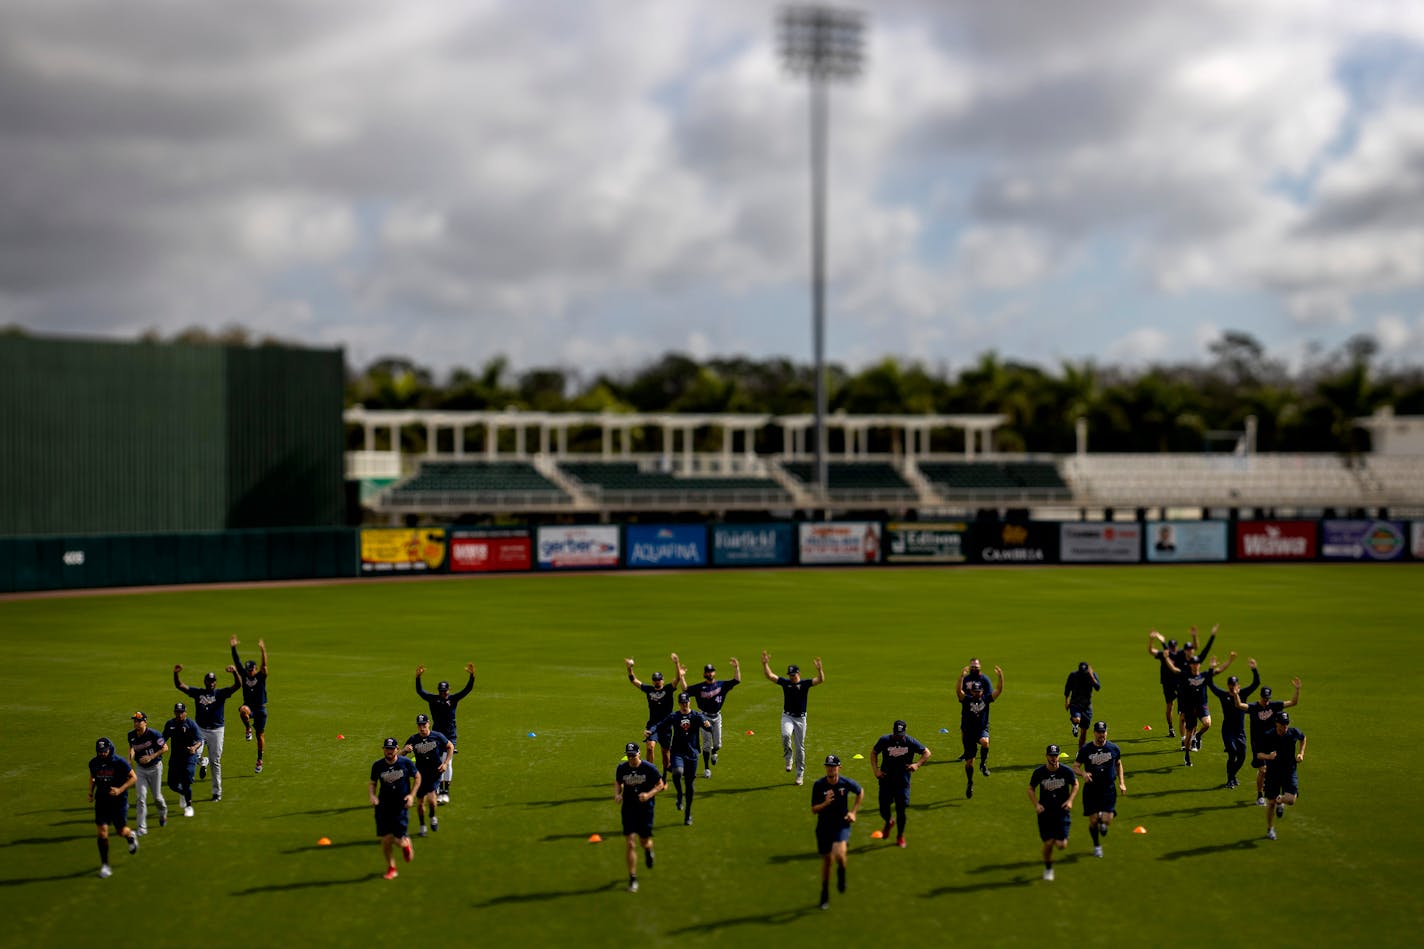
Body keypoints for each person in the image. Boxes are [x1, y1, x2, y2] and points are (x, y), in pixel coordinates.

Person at [173, 663, 241, 801]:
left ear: (215, 683)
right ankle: (203, 761)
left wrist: (234, 672)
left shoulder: (221, 694)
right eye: (209, 681)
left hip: (217, 731)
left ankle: (217, 792)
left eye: (213, 681)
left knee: (215, 762)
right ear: (205, 682)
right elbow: (180, 686)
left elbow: (238, 685)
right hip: (200, 730)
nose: (211, 683)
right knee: (192, 754)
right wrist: (176, 673)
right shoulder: (198, 693)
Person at [646, 692, 712, 826]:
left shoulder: (696, 716)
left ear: (689, 702)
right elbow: (660, 724)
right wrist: (651, 731)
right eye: (682, 703)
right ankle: (679, 795)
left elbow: (708, 726)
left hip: (692, 754)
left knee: (690, 786)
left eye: (686, 702)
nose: (684, 704)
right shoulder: (674, 716)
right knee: (676, 773)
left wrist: (708, 725)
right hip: (677, 752)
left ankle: (688, 814)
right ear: (679, 704)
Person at [415, 661, 475, 804]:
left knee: (447, 762)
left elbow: (467, 690)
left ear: (449, 690)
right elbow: (420, 692)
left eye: (445, 691)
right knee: (437, 762)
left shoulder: (453, 699)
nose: (443, 694)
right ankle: (436, 788)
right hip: (436, 735)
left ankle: (445, 791)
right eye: (441, 691)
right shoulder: (433, 699)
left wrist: (472, 677)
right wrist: (418, 678)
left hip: (450, 735)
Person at [761, 651, 824, 785]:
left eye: (793, 675)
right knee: (785, 735)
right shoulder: (786, 683)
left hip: (801, 719)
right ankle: (788, 758)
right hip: (787, 716)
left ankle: (799, 775)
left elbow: (820, 680)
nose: (791, 677)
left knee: (800, 748)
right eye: (790, 675)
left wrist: (820, 670)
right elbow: (770, 676)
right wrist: (765, 664)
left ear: (798, 674)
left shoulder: (805, 684)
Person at [810, 754, 863, 910]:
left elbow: (860, 792)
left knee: (839, 854)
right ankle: (825, 891)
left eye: (833, 766)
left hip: (841, 823)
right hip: (824, 826)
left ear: (839, 767)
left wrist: (853, 812)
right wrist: (825, 803)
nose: (830, 769)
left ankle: (842, 871)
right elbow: (814, 809)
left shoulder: (845, 783)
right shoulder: (819, 785)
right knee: (827, 861)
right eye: (828, 766)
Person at [1241, 675, 1302, 805]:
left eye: (1268, 698)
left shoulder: (1274, 706)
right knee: (1263, 769)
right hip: (1258, 742)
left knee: (1274, 769)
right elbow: (1240, 705)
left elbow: (1293, 702)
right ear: (1260, 696)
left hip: (1274, 741)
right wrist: (1235, 694)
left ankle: (1278, 795)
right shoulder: (1254, 707)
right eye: (1264, 698)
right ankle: (1259, 795)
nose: (1266, 700)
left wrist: (1297, 690)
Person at [869, 720, 930, 847]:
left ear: (905, 732)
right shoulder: (885, 740)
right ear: (893, 731)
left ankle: (900, 836)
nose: (899, 736)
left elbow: (927, 752)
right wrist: (876, 770)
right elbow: (874, 752)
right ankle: (889, 822)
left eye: (901, 734)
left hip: (903, 782)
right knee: (883, 809)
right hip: (886, 781)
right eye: (897, 734)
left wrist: (917, 765)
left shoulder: (910, 741)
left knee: (901, 810)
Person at [615, 741, 666, 893]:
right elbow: (618, 782)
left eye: (633, 755)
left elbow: (660, 785)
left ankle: (649, 850)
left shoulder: (649, 768)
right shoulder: (622, 768)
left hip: (645, 808)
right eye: (628, 756)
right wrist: (617, 794)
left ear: (639, 754)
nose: (631, 759)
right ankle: (633, 877)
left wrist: (648, 795)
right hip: (629, 808)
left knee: (644, 841)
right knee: (630, 842)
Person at [369, 737, 420, 880]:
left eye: (392, 749)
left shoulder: (406, 763)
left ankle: (405, 844)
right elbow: (373, 783)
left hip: (400, 806)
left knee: (398, 841)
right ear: (383, 749)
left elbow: (417, 777)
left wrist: (411, 796)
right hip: (383, 806)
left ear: (397, 749)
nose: (389, 751)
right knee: (385, 840)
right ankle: (392, 867)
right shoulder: (377, 765)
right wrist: (372, 796)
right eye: (387, 748)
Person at [626, 655, 686, 775]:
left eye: (659, 679)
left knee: (665, 753)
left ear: (662, 680)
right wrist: (629, 668)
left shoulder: (668, 689)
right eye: (655, 679)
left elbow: (677, 679)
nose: (657, 681)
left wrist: (676, 663)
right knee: (650, 747)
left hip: (666, 725)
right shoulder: (649, 690)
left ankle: (664, 774)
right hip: (652, 724)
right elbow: (633, 680)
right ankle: (651, 772)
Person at [88, 737, 139, 879]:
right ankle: (105, 865)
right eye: (100, 752)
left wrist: (119, 790)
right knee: (102, 832)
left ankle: (130, 836)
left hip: (118, 801)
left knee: (120, 831)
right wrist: (91, 792)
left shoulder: (119, 762)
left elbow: (133, 778)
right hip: (102, 801)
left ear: (110, 749)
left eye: (104, 751)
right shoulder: (94, 763)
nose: (102, 754)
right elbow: (93, 777)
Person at [1073, 722, 1126, 858]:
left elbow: (1119, 765)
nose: (1101, 735)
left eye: (1104, 732)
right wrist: (1083, 774)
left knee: (1107, 820)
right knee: (1093, 821)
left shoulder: (1114, 748)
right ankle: (1097, 845)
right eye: (1099, 732)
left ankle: (1103, 821)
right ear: (1094, 733)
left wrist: (1122, 783)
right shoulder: (1086, 749)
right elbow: (1076, 766)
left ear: (1106, 732)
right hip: (1091, 789)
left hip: (1109, 789)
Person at [1027, 744, 1078, 882]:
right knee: (1049, 843)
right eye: (1051, 755)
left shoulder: (1066, 771)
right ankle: (1048, 868)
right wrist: (1036, 804)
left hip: (1062, 812)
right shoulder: (1039, 772)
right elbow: (1030, 789)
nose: (1053, 758)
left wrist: (1070, 800)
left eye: (1055, 755)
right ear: (1046, 756)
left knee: (1061, 845)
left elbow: (1075, 784)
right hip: (1045, 813)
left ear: (1058, 756)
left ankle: (1056, 838)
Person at [1208, 658, 1260, 789]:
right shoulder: (1223, 695)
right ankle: (1230, 779)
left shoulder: (1243, 694)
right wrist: (1211, 669)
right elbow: (1210, 683)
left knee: (1242, 757)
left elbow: (1256, 683)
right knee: (1232, 752)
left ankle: (1233, 775)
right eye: (1230, 685)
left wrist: (1254, 669)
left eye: (1234, 684)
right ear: (1228, 685)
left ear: (1238, 685)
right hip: (1228, 730)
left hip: (1240, 731)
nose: (1232, 687)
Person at [955, 663, 1004, 798]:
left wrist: (1001, 676)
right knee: (969, 763)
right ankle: (970, 782)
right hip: (969, 734)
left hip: (981, 730)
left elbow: (999, 690)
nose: (977, 693)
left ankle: (983, 764)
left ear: (982, 691)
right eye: (975, 691)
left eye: (979, 691)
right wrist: (961, 677)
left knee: (985, 742)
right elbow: (959, 692)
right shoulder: (967, 700)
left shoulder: (986, 699)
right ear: (972, 692)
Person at [688, 658, 741, 778]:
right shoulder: (699, 687)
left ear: (714, 673)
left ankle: (714, 752)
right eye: (708, 671)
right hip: (704, 717)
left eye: (711, 671)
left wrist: (736, 667)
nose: (710, 673)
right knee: (706, 744)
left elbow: (736, 680)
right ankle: (707, 768)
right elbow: (685, 689)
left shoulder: (721, 685)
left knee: (717, 745)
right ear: (704, 673)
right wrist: (681, 676)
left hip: (717, 717)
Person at [402, 714, 453, 837]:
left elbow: (450, 746)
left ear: (428, 723)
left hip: (434, 773)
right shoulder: (413, 739)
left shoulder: (437, 736)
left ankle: (432, 816)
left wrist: (445, 763)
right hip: (420, 775)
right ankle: (422, 824)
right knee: (420, 804)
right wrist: (404, 750)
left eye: (424, 725)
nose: (422, 728)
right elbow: (398, 757)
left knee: (432, 801)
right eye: (419, 725)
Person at [1259, 711, 1306, 840]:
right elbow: (1259, 754)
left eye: (1286, 724)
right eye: (1282, 724)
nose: (1285, 727)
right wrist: (1268, 756)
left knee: (1291, 800)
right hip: (1273, 774)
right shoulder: (1268, 735)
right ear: (1276, 724)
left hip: (1289, 771)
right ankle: (1270, 829)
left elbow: (1303, 738)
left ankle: (1280, 801)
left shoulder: (1293, 732)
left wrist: (1301, 753)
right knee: (1271, 804)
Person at [230, 636, 269, 774]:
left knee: (260, 736)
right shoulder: (245, 675)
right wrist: (233, 647)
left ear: (255, 669)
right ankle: (247, 728)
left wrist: (263, 649)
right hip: (249, 706)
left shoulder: (260, 676)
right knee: (243, 711)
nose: (249, 672)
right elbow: (237, 661)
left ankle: (259, 759)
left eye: (251, 670)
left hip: (260, 708)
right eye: (247, 670)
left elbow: (264, 666)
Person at [126, 711, 168, 835]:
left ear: (145, 722)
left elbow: (165, 748)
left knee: (157, 797)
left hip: (155, 768)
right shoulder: (131, 735)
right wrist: (129, 760)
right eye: (135, 721)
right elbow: (132, 747)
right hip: (140, 770)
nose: (136, 723)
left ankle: (162, 813)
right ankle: (142, 827)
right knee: (141, 798)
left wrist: (151, 757)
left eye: (138, 721)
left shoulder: (154, 734)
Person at [162, 702, 201, 817]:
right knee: (172, 784)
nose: (179, 714)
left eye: (181, 712)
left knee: (186, 781)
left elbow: (200, 740)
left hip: (189, 756)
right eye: (177, 712)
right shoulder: (170, 724)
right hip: (175, 757)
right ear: (174, 712)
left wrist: (194, 748)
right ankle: (184, 794)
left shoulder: (191, 724)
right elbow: (162, 739)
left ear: (185, 713)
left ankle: (189, 806)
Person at [1147, 630, 1183, 737]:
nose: (1172, 648)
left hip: (1179, 684)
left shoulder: (1180, 656)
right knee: (1170, 706)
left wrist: (1163, 642)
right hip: (1167, 684)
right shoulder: (1163, 654)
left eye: (1174, 646)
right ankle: (1171, 728)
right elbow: (1150, 651)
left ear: (1176, 647)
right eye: (1171, 646)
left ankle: (1185, 728)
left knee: (1183, 708)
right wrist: (1151, 639)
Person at [1063, 661, 1101, 749]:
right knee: (1077, 719)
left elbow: (1098, 687)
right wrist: (1066, 701)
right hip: (1075, 704)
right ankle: (1074, 724)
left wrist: (1092, 677)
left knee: (1083, 732)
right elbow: (1067, 688)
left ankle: (1080, 753)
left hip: (1087, 707)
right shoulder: (1073, 675)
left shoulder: (1092, 675)